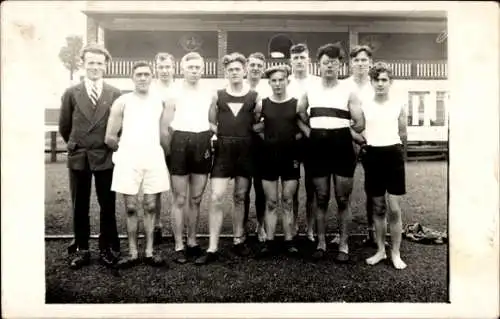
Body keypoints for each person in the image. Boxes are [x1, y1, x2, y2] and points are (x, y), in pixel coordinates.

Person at [297, 43, 364, 262]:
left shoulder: (348, 90)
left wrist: (349, 134)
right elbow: (299, 114)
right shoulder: (311, 89)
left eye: (334, 63)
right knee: (321, 197)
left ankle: (344, 245)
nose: (329, 67)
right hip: (317, 146)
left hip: (342, 146)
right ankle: (321, 243)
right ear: (319, 64)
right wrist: (311, 133)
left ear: (340, 65)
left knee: (342, 198)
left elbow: (360, 122)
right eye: (326, 62)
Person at [58, 43, 122, 270]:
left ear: (106, 65)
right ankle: (82, 248)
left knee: (107, 204)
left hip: (104, 155)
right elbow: (65, 126)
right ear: (83, 65)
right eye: (90, 63)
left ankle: (107, 247)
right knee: (80, 205)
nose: (95, 67)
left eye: (99, 63)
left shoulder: (115, 93)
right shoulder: (71, 93)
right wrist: (77, 146)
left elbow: (119, 127)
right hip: (80, 156)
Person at [195, 52, 261, 265]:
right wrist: (224, 137)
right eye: (230, 69)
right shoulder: (218, 95)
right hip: (224, 151)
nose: (234, 72)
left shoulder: (254, 96)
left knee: (241, 196)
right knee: (216, 197)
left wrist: (246, 134)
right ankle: (213, 247)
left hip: (246, 151)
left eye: (238, 69)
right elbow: (211, 122)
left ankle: (238, 240)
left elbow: (258, 121)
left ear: (244, 71)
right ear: (226, 72)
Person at [105, 61, 170, 268]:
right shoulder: (122, 102)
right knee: (131, 207)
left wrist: (159, 151)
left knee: (151, 206)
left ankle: (150, 252)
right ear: (132, 78)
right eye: (139, 74)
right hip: (128, 158)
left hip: (153, 157)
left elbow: (163, 133)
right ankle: (133, 253)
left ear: (152, 78)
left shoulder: (160, 102)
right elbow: (110, 137)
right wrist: (126, 151)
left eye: (146, 74)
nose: (142, 78)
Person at [166, 52, 213, 264]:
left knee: (195, 199)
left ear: (202, 69)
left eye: (197, 67)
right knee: (180, 198)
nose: (194, 71)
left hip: (201, 141)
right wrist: (170, 151)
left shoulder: (210, 93)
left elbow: (212, 123)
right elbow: (164, 127)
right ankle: (178, 244)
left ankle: (192, 241)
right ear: (182, 69)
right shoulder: (173, 93)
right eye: (190, 67)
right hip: (179, 142)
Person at [331, 45, 378, 246]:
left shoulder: (376, 85)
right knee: (343, 191)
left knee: (373, 188)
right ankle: (342, 234)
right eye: (356, 60)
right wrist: (352, 134)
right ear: (351, 64)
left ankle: (372, 231)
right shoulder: (343, 85)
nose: (360, 64)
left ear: (370, 63)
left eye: (364, 60)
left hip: (373, 140)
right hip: (348, 140)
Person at [362, 62, 408, 270]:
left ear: (390, 82)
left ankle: (395, 252)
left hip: (393, 155)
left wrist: (401, 156)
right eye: (376, 80)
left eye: (384, 80)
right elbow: (358, 128)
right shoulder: (365, 105)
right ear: (371, 82)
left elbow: (403, 133)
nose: (380, 84)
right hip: (373, 155)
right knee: (378, 207)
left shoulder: (398, 104)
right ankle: (380, 250)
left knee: (395, 209)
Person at [256, 65, 301, 257]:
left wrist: (291, 140)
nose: (277, 84)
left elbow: (303, 128)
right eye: (273, 81)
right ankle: (270, 242)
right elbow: (254, 126)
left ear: (287, 81)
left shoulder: (296, 104)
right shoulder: (263, 104)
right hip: (268, 158)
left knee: (288, 200)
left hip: (290, 157)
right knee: (271, 201)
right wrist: (267, 139)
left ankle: (289, 241)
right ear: (269, 83)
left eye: (281, 80)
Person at [288, 43, 321, 244]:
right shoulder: (286, 82)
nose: (299, 61)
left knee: (312, 187)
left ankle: (310, 229)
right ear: (291, 61)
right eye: (296, 58)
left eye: (302, 58)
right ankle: (292, 226)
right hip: (291, 140)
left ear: (308, 60)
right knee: (292, 187)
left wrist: (308, 130)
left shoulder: (316, 83)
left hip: (311, 138)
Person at [151, 52, 177, 246]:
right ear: (156, 69)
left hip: (178, 142)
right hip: (155, 142)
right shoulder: (150, 89)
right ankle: (157, 225)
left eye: (168, 67)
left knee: (178, 185)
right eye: (161, 67)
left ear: (173, 68)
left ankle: (178, 226)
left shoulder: (179, 89)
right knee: (156, 185)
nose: (165, 70)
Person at [243, 52, 268, 243]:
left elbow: (270, 119)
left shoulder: (267, 89)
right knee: (242, 190)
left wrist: (255, 127)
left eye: (259, 65)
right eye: (252, 65)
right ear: (246, 67)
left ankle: (261, 225)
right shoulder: (238, 88)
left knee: (261, 189)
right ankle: (241, 226)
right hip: (242, 144)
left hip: (261, 143)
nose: (256, 68)